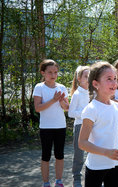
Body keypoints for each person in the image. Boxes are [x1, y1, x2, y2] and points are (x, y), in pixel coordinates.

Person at [78, 61, 118, 187]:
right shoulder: (91, 109)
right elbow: (82, 143)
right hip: (95, 167)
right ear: (95, 84)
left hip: (114, 166)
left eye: (115, 78)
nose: (114, 83)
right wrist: (106, 152)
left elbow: (115, 135)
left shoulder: (117, 107)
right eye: (109, 79)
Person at [33, 59, 69, 187]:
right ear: (43, 73)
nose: (53, 75)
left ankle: (59, 181)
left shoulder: (62, 87)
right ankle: (46, 182)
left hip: (60, 126)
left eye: (55, 72)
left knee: (60, 155)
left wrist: (61, 102)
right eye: (50, 72)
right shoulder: (39, 87)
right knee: (46, 156)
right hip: (46, 127)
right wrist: (54, 100)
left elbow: (67, 108)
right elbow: (38, 108)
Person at [68, 66, 90, 187]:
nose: (88, 79)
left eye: (90, 76)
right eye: (86, 76)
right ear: (79, 78)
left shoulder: (94, 92)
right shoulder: (77, 94)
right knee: (79, 155)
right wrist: (85, 114)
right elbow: (71, 113)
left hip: (92, 127)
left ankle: (92, 178)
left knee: (92, 153)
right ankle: (76, 178)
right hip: (80, 127)